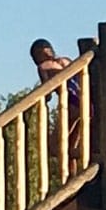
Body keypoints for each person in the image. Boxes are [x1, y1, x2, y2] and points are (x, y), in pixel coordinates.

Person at [29, 39, 82, 169]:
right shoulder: (67, 61)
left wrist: (40, 98)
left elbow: (47, 92)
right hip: (84, 102)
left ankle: (73, 173)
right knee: (71, 145)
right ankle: (73, 175)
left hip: (71, 103)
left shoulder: (43, 67)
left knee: (54, 147)